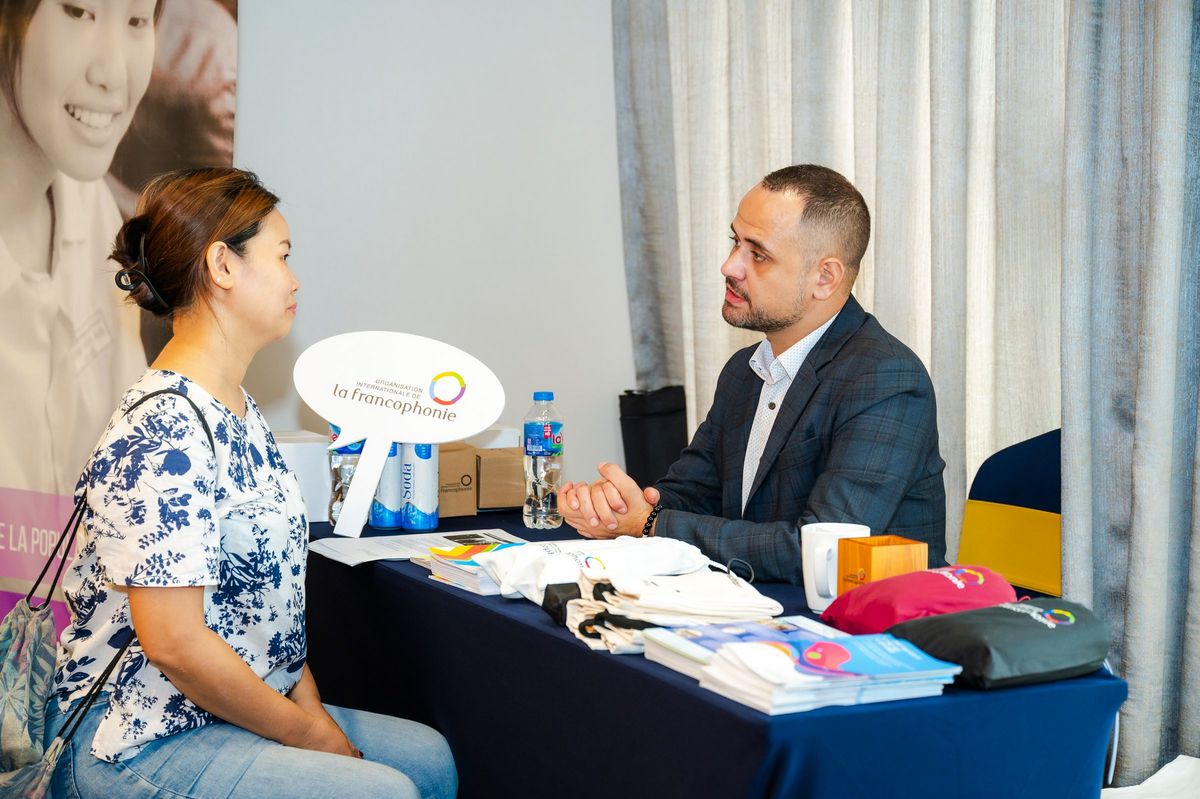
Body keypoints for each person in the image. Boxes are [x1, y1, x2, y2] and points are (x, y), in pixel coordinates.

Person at [43, 168, 457, 799]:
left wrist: (310, 712)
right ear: (223, 266)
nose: (294, 279)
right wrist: (310, 736)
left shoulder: (236, 407)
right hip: (131, 733)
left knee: (428, 760)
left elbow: (270, 617)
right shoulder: (163, 428)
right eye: (282, 256)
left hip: (218, 707)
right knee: (382, 791)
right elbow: (176, 646)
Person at [560, 164, 946, 583]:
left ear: (824, 278)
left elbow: (824, 551)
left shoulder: (886, 380)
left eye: (758, 254)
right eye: (735, 242)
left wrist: (650, 525)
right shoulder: (744, 372)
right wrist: (618, 508)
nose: (730, 266)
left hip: (858, 617)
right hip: (755, 601)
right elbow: (695, 493)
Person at [0, 0, 157, 494]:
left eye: (137, 20)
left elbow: (129, 458)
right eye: (78, 12)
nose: (113, 74)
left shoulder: (92, 208)